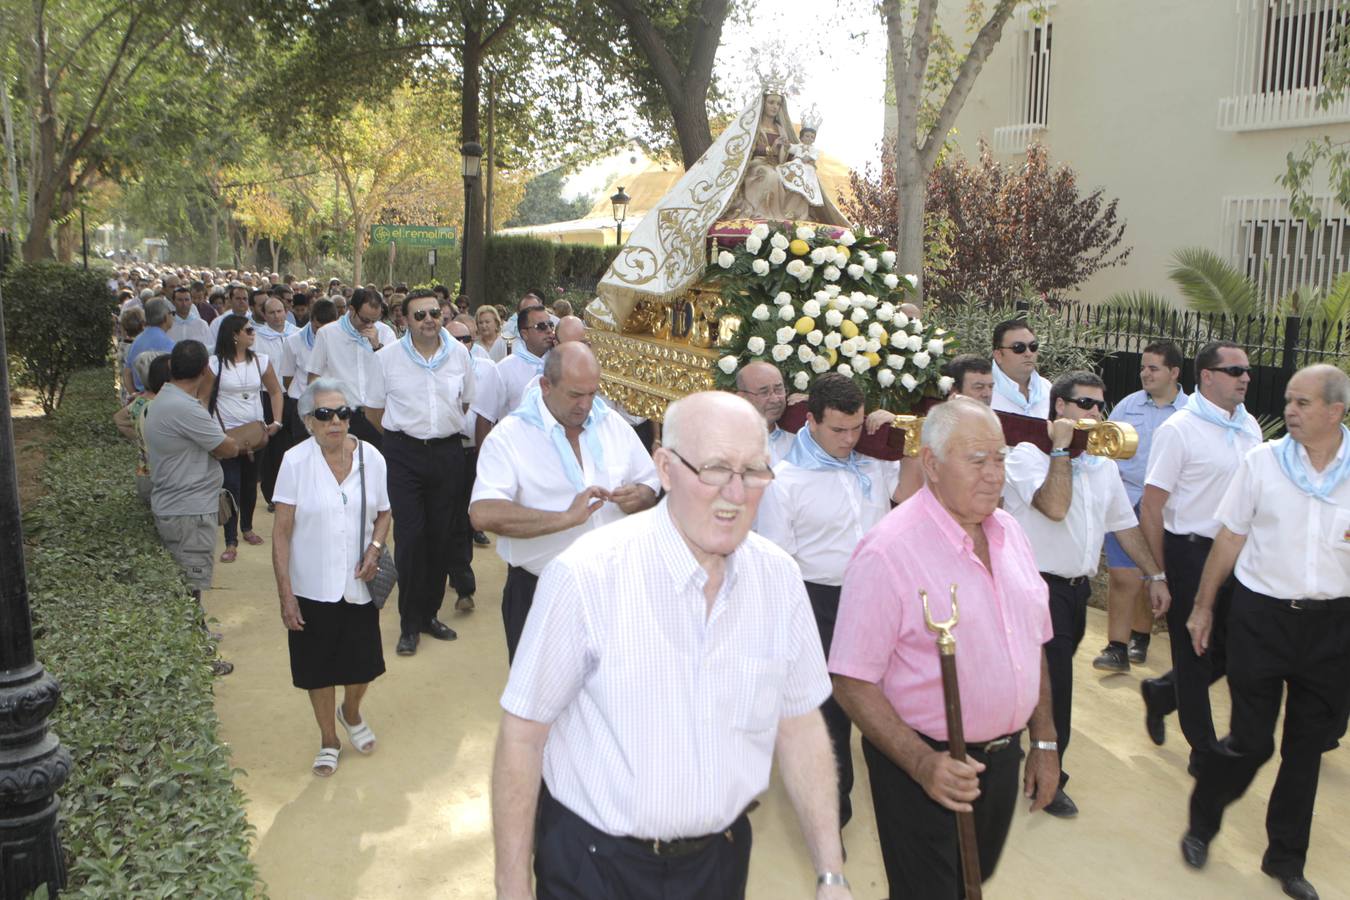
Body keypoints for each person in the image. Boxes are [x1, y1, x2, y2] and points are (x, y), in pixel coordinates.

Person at [491, 391, 851, 900]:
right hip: (594, 866)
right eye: (714, 469)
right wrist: (512, 887)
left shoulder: (780, 579)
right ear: (664, 467)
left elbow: (799, 725)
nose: (735, 493)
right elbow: (524, 736)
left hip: (719, 862)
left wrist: (831, 874)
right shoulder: (586, 576)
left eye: (753, 471)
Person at [830, 398, 1060, 900]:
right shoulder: (888, 551)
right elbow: (850, 678)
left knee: (971, 882)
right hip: (923, 765)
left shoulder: (1011, 534)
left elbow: (1032, 642)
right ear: (931, 464)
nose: (994, 475)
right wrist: (920, 763)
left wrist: (1044, 741)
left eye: (999, 459)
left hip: (1001, 760)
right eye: (976, 460)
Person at [1178, 364, 1350, 900]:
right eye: (1289, 401)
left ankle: (1285, 861)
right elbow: (1229, 537)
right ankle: (1203, 820)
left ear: (1336, 411)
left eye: (1302, 403)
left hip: (1333, 626)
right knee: (1251, 743)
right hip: (1262, 619)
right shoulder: (1263, 461)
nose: (1289, 411)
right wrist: (1204, 607)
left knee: (1305, 750)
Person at [1001, 371, 1171, 819]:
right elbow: (1054, 507)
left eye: (1100, 404)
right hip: (1035, 587)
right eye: (1085, 404)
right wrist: (1060, 450)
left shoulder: (1101, 463)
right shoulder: (1027, 455)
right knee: (1056, 687)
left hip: (1075, 593)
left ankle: (1012, 748)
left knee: (1039, 681)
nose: (1096, 413)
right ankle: (1049, 778)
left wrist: (1155, 575)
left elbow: (1124, 525)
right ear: (1059, 406)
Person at [757, 373, 904, 831]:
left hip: (878, 599)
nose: (849, 439)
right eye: (838, 429)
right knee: (830, 714)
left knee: (888, 705)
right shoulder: (785, 481)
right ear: (812, 421)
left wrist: (899, 432)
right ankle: (831, 816)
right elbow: (778, 563)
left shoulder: (873, 463)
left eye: (856, 428)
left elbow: (911, 495)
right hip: (818, 602)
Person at [470, 343, 660, 661]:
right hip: (542, 593)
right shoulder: (509, 437)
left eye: (592, 393)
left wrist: (641, 495)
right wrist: (564, 518)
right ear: (546, 385)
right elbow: (483, 512)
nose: (585, 405)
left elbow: (650, 482)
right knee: (542, 691)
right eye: (575, 395)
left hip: (613, 590)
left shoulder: (612, 424)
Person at [1138, 340, 1262, 753]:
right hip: (1190, 552)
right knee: (1195, 651)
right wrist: (1158, 573)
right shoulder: (1179, 429)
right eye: (1235, 371)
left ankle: (1162, 694)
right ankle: (1204, 749)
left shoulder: (1249, 426)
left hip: (1237, 555)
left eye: (1247, 371)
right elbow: (1151, 506)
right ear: (1207, 376)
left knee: (1230, 650)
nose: (1245, 378)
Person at [271, 378, 392, 778]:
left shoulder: (372, 458)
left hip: (358, 582)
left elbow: (384, 512)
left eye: (343, 413)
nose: (335, 421)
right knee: (317, 668)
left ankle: (350, 712)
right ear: (308, 420)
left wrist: (375, 548)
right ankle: (329, 739)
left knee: (363, 666)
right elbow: (281, 532)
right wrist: (286, 595)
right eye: (324, 414)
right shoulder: (295, 462)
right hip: (311, 585)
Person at [370, 290, 477, 656]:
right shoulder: (386, 359)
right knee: (411, 538)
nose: (429, 319)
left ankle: (429, 614)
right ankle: (409, 623)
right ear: (404, 320)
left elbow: (465, 401)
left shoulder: (459, 354)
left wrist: (438, 430)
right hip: (404, 455)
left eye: (434, 312)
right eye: (420, 315)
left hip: (447, 453)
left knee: (441, 537)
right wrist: (405, 438)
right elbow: (373, 410)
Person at [143, 340, 242, 676]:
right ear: (204, 370)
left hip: (180, 505)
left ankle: (198, 637)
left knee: (190, 584)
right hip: (188, 511)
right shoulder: (185, 409)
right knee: (191, 586)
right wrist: (240, 442)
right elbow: (226, 447)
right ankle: (200, 659)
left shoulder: (167, 399)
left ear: (172, 368)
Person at [1092, 341, 1187, 672]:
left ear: (1174, 372)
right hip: (1125, 499)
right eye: (1143, 367)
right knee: (1122, 576)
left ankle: (1140, 636)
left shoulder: (1190, 413)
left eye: (1153, 368)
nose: (1145, 373)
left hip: (1166, 508)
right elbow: (1104, 447)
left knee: (1152, 576)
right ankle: (1116, 647)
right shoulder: (1128, 406)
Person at [209, 317, 285, 563]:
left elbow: (275, 391)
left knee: (251, 483)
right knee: (230, 485)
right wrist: (209, 432)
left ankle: (247, 527)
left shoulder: (261, 360)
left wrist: (277, 421)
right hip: (226, 435)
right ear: (234, 334)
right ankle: (230, 539)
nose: (253, 333)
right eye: (249, 330)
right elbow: (204, 398)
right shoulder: (214, 364)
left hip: (255, 434)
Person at [306, 288, 394, 448]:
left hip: (377, 413)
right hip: (341, 414)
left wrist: (377, 347)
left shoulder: (385, 332)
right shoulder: (327, 333)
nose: (370, 325)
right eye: (365, 319)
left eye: (374, 320)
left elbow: (392, 373)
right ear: (352, 309)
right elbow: (314, 376)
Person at [256, 296, 300, 509]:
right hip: (269, 397)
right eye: (271, 312)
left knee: (295, 446)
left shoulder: (298, 334)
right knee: (273, 449)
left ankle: (297, 494)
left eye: (280, 311)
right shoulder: (256, 338)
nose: (277, 316)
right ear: (264, 315)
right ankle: (273, 495)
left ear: (286, 311)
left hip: (295, 397)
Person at [114, 352, 171, 504]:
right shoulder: (164, 405)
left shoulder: (139, 402)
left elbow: (119, 419)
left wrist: (139, 436)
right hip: (164, 477)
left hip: (144, 475)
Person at [280, 298, 338, 443]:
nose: (322, 333)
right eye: (318, 328)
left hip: (334, 405)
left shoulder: (342, 341)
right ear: (311, 320)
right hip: (303, 406)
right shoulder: (293, 341)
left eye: (327, 328)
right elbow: (288, 377)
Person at [493, 305, 556, 418]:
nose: (549, 330)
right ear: (524, 334)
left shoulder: (561, 363)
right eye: (541, 326)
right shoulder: (505, 368)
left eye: (550, 325)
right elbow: (486, 415)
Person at [735, 360, 795, 464]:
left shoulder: (798, 444)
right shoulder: (727, 444)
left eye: (779, 390)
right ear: (742, 397)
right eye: (764, 392)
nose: (775, 399)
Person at [989, 319, 1052, 418]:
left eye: (1033, 346)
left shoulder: (1047, 389)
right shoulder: (983, 392)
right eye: (1018, 347)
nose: (1028, 353)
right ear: (998, 355)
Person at [124, 298, 176, 395]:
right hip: (162, 396)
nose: (173, 317)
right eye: (171, 313)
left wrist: (134, 395)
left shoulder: (137, 340)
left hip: (141, 395)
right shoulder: (168, 344)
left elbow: (127, 373)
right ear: (165, 317)